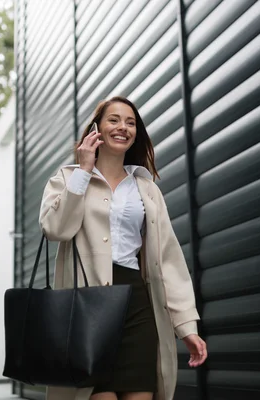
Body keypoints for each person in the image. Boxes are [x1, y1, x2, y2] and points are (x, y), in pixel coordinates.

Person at [39, 96, 207, 400]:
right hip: (88, 305)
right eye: (114, 120)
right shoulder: (68, 178)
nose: (123, 127)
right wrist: (84, 170)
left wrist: (187, 327)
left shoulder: (146, 188)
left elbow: (168, 259)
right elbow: (55, 229)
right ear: (97, 128)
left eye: (130, 122)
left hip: (137, 303)